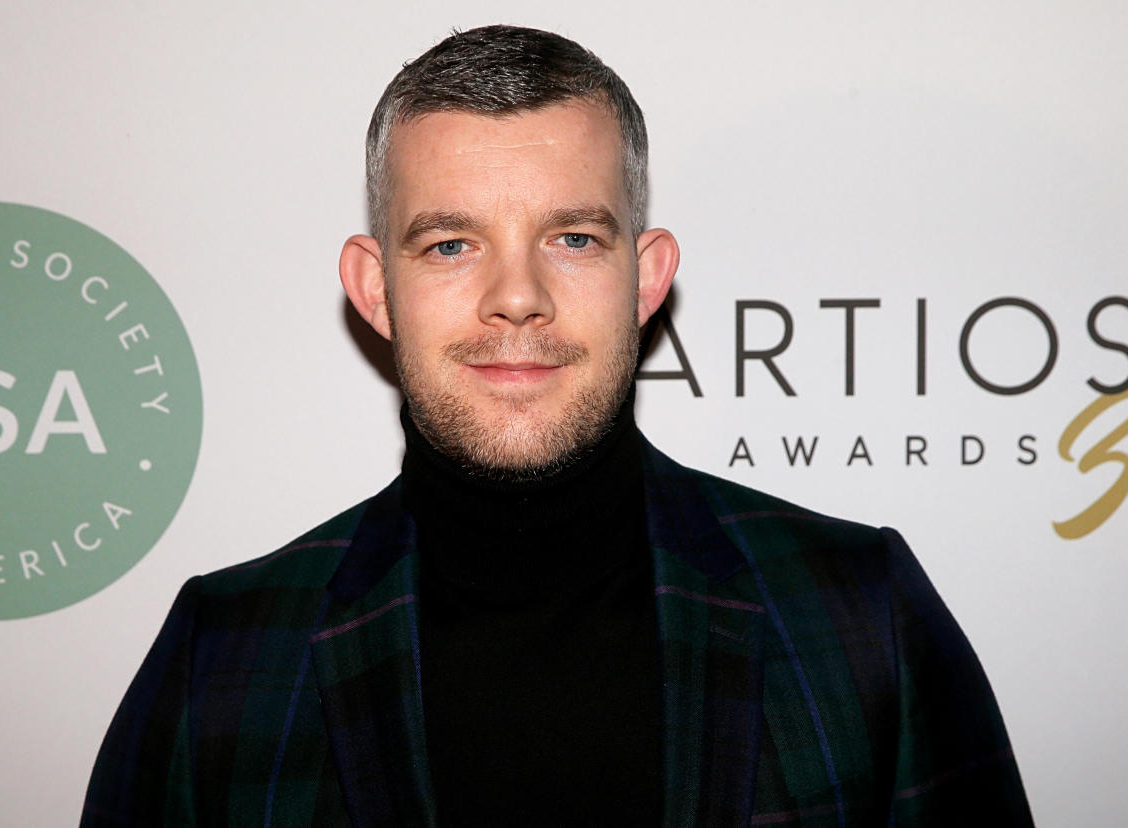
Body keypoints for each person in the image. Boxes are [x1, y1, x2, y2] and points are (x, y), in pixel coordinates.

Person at [82, 25, 1032, 827]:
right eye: (452, 244)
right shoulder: (226, 658)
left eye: (572, 239)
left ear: (647, 277)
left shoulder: (862, 619)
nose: (518, 299)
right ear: (376, 288)